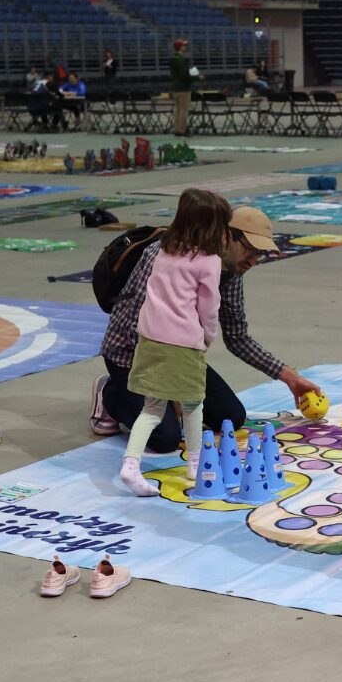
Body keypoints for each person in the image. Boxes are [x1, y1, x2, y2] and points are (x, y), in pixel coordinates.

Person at [92, 204, 321, 453]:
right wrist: (175, 388)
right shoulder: (167, 254)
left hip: (181, 355)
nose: (254, 261)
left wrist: (290, 378)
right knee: (166, 438)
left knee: (231, 418)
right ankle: (110, 393)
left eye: (260, 254)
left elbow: (238, 338)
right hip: (132, 355)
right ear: (226, 236)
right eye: (250, 250)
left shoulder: (231, 270)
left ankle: (157, 397)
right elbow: (138, 326)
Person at [117, 189, 230, 496]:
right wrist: (207, 337)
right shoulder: (209, 262)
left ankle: (130, 465)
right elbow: (209, 307)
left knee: (152, 408)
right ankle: (195, 464)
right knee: (194, 404)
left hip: (150, 337)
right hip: (183, 342)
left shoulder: (165, 250)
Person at [169, 38, 193, 136]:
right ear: (180, 47)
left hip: (175, 87)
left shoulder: (173, 59)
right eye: (183, 45)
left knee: (177, 109)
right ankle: (182, 130)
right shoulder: (180, 59)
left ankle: (177, 129)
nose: (185, 47)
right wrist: (196, 77)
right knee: (183, 109)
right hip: (183, 87)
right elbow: (184, 75)